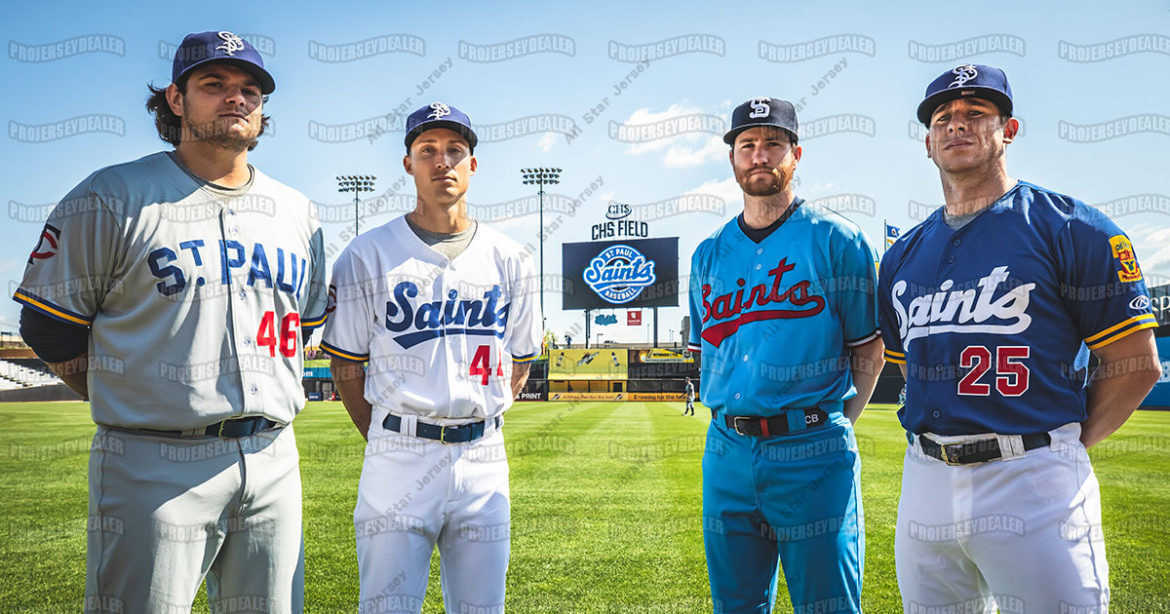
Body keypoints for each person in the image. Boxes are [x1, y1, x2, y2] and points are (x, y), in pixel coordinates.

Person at [12, 31, 326, 613]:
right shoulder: (113, 194)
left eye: (250, 89)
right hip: (152, 461)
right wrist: (126, 393)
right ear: (176, 100)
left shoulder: (299, 212)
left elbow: (301, 328)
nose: (236, 98)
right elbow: (49, 326)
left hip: (273, 456)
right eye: (214, 84)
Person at [879, 64, 1161, 613]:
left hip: (1033, 475)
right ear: (928, 142)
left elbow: (1138, 364)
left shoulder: (1072, 227)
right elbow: (907, 366)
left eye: (976, 114)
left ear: (1008, 130)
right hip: (926, 479)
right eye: (944, 118)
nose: (957, 125)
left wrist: (1063, 450)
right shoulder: (901, 256)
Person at [323, 102, 542, 614]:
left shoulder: (511, 258)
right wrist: (387, 433)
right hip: (398, 451)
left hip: (484, 454)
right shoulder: (366, 254)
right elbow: (346, 366)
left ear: (473, 164)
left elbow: (521, 359)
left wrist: (480, 413)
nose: (442, 161)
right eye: (428, 151)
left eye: (454, 150)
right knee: (387, 605)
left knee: (483, 608)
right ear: (408, 164)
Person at [687, 97, 884, 613]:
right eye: (747, 145)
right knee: (735, 605)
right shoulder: (708, 253)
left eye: (773, 143)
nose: (759, 155)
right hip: (726, 449)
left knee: (828, 605)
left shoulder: (839, 240)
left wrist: (830, 424)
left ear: (795, 154)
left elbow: (869, 350)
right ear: (732, 159)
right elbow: (709, 353)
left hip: (813, 448)